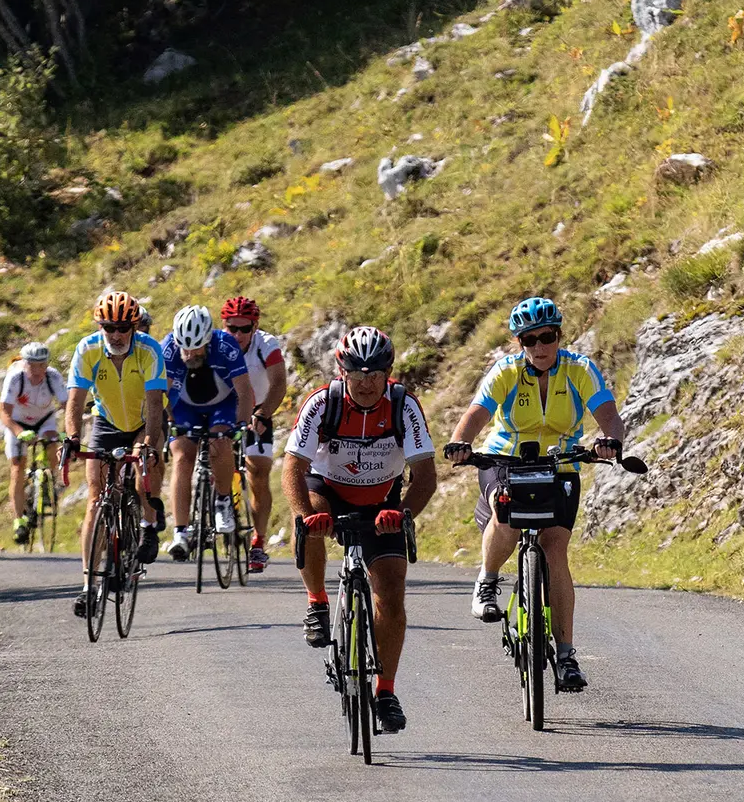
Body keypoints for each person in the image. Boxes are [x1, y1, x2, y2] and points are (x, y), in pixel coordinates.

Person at [443, 297, 625, 693]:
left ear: (559, 335)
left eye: (548, 337)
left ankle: (566, 655)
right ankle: (487, 579)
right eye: (530, 340)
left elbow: (608, 413)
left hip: (561, 463)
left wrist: (610, 440)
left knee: (555, 548)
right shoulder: (506, 372)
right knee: (505, 517)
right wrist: (460, 443)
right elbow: (476, 414)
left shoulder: (579, 370)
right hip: (506, 460)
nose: (540, 347)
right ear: (519, 342)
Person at [283, 326, 436, 733]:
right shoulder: (322, 404)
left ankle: (385, 691)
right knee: (311, 520)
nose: (366, 383)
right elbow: (293, 467)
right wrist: (304, 514)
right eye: (357, 374)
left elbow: (425, 476)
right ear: (342, 371)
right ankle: (317, 602)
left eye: (375, 374)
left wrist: (402, 513)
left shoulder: (403, 405)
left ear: (388, 373)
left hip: (383, 499)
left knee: (391, 589)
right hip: (328, 491)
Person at [65, 291, 168, 617]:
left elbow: (155, 405)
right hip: (106, 422)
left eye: (123, 328)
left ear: (134, 326)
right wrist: (72, 438)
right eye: (110, 327)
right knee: (96, 498)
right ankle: (88, 586)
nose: (117, 334)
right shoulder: (88, 349)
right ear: (101, 327)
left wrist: (148, 443)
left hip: (143, 422)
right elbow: (76, 400)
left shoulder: (149, 350)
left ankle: (148, 524)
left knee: (143, 467)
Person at [162, 305, 255, 561]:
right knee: (182, 456)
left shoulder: (226, 345)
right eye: (185, 348)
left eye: (197, 348)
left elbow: (244, 391)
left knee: (220, 443)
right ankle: (180, 533)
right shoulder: (168, 348)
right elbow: (160, 394)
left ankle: (223, 501)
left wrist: (242, 425)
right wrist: (168, 422)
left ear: (208, 340)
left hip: (222, 404)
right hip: (184, 406)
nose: (190, 353)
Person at [220, 295, 287, 572]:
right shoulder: (215, 345)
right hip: (222, 410)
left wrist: (263, 414)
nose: (237, 335)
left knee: (258, 471)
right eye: (231, 328)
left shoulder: (267, 345)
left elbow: (279, 384)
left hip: (257, 410)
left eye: (244, 329)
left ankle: (258, 542)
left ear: (255, 327)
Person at [0, 342, 65, 545]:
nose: (37, 370)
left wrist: (68, 431)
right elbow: (4, 412)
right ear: (24, 363)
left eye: (42, 365)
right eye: (32, 365)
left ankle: (50, 482)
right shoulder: (15, 378)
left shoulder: (53, 377)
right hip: (18, 422)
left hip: (44, 420)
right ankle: (19, 521)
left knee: (53, 444)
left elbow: (68, 404)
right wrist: (19, 432)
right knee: (17, 468)